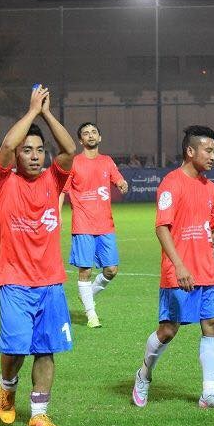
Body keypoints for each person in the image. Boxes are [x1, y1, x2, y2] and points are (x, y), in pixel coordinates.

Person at [131, 125, 214, 410]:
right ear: (190, 151)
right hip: (179, 273)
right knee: (168, 329)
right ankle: (143, 374)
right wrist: (179, 266)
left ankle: (208, 393)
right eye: (209, 150)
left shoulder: (210, 188)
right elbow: (162, 228)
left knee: (213, 325)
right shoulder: (171, 184)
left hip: (207, 271)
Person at [0, 86, 76, 426]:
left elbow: (70, 149)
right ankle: (7, 389)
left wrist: (46, 115)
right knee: (15, 349)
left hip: (51, 282)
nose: (35, 156)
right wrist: (30, 112)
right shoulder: (2, 181)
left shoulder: (54, 180)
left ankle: (39, 413)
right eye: (28, 150)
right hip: (14, 281)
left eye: (40, 150)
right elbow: (7, 146)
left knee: (46, 350)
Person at [58, 122, 128, 328]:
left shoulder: (107, 161)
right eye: (86, 133)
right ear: (80, 140)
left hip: (105, 225)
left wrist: (123, 184)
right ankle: (91, 315)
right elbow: (62, 191)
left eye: (94, 132)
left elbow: (119, 180)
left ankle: (87, 295)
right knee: (85, 271)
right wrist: (58, 215)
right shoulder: (74, 163)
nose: (90, 135)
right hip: (83, 225)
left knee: (111, 270)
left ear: (100, 137)